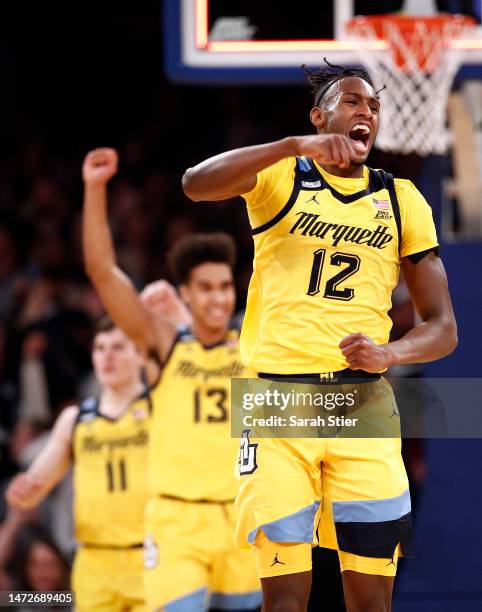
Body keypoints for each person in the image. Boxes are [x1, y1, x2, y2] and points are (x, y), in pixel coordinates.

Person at [182, 63, 458, 612]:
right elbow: (195, 184)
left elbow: (443, 327)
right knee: (285, 600)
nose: (367, 112)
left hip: (363, 403)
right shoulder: (284, 175)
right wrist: (290, 145)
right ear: (319, 116)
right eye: (352, 102)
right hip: (277, 402)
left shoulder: (402, 200)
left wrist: (390, 352)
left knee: (372, 601)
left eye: (373, 107)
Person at [82, 148, 261, 611]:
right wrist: (95, 189)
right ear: (186, 293)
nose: (218, 297)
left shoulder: (251, 348)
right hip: (176, 521)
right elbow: (103, 273)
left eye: (224, 286)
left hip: (240, 517)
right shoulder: (165, 346)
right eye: (205, 288)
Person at [6, 317, 152, 611]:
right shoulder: (75, 420)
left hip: (151, 556)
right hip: (94, 560)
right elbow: (37, 483)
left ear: (140, 355)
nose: (107, 356)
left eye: (118, 348)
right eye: (100, 348)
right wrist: (22, 492)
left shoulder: (159, 407)